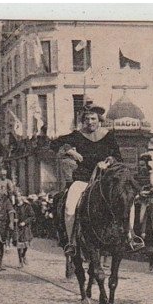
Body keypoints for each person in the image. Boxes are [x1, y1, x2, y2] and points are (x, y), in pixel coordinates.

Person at [54, 103, 123, 256]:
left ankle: (129, 236)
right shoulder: (78, 135)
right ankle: (71, 242)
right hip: (83, 178)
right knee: (69, 207)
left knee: (125, 201)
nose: (90, 122)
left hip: (105, 179)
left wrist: (108, 162)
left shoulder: (108, 135)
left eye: (93, 118)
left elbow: (118, 157)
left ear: (99, 119)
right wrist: (71, 151)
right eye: (87, 119)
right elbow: (55, 143)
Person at [15, 195, 35, 267]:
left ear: (22, 197)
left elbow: (32, 216)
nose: (18, 198)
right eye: (16, 196)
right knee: (19, 245)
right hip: (17, 228)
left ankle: (24, 255)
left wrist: (25, 222)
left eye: (19, 196)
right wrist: (14, 220)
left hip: (25, 228)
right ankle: (20, 262)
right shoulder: (14, 206)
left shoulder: (27, 206)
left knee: (26, 245)